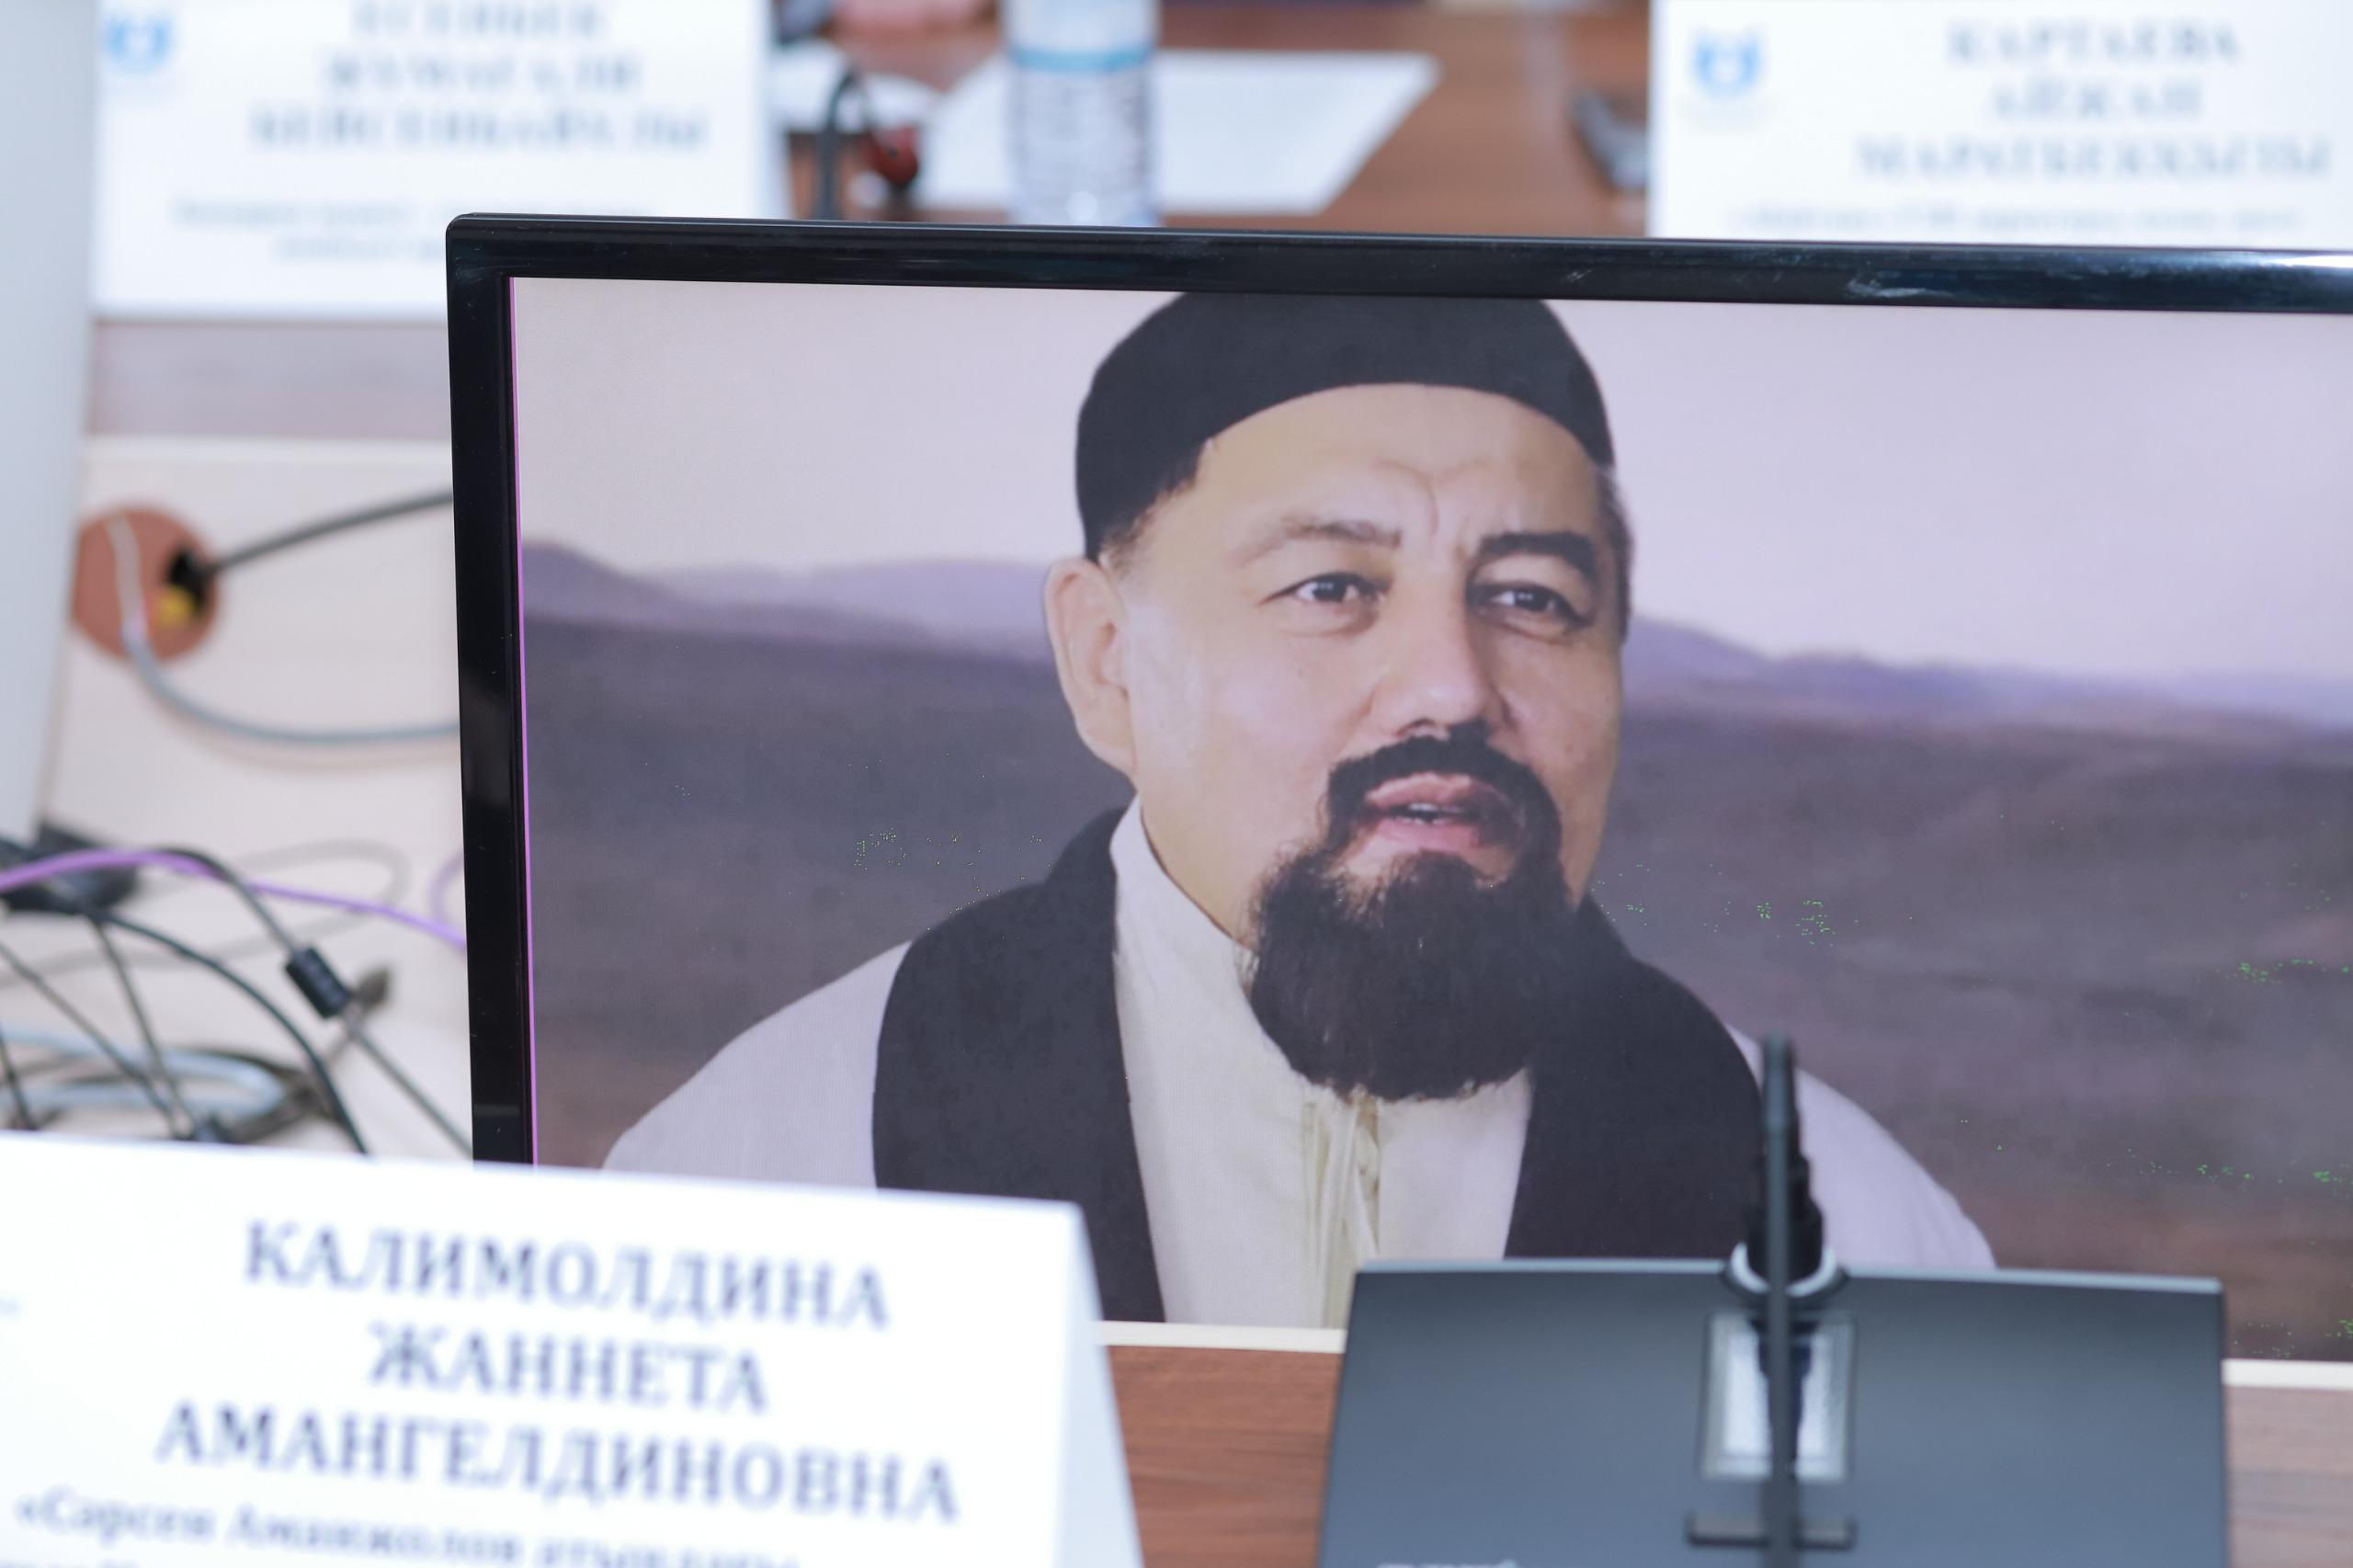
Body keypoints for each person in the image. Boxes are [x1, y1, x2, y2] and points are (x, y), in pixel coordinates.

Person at [608, 292, 1991, 1326]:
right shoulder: (766, 1182)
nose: (1451, 688)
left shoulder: (1854, 1235)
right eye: (1331, 587)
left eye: (1532, 598)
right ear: (1107, 660)